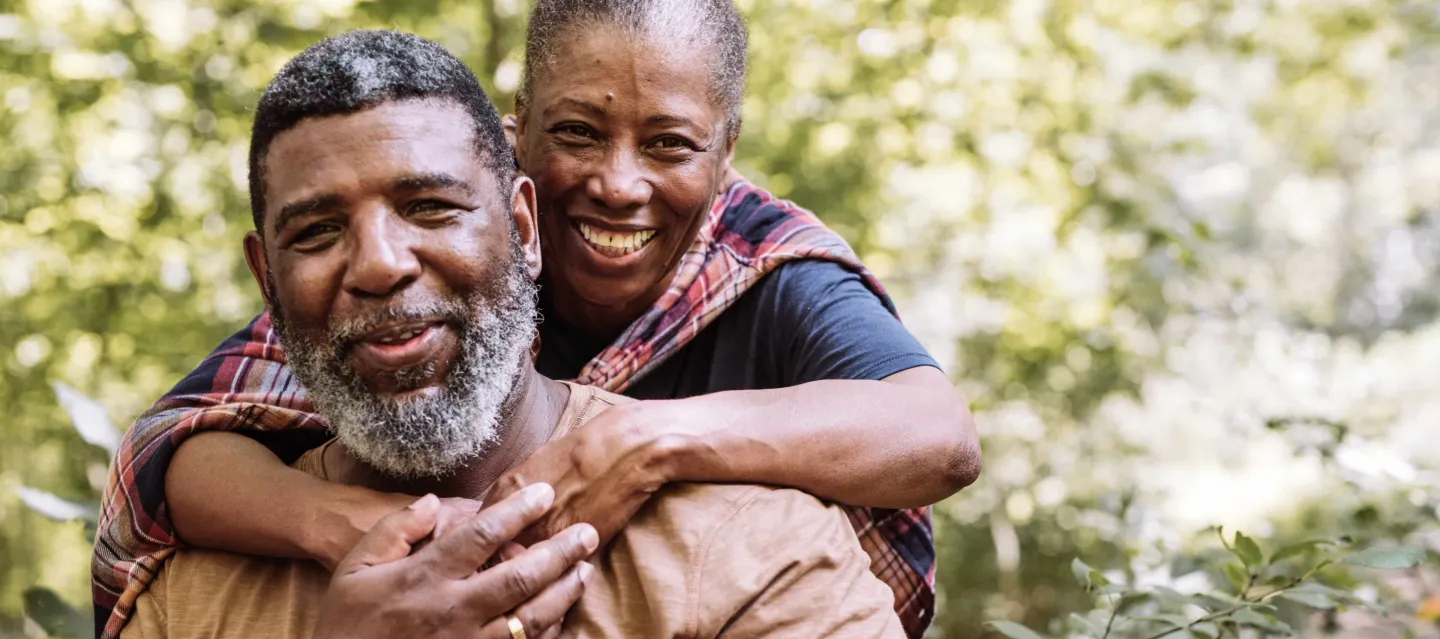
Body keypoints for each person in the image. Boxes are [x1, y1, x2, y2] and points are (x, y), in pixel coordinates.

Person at [93, 1, 982, 636]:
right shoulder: (378, 291)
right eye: (579, 134)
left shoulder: (768, 274)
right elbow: (182, 445)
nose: (619, 184)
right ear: (520, 150)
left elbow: (937, 434)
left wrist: (641, 443)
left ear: (725, 152)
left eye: (669, 143)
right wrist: (357, 531)